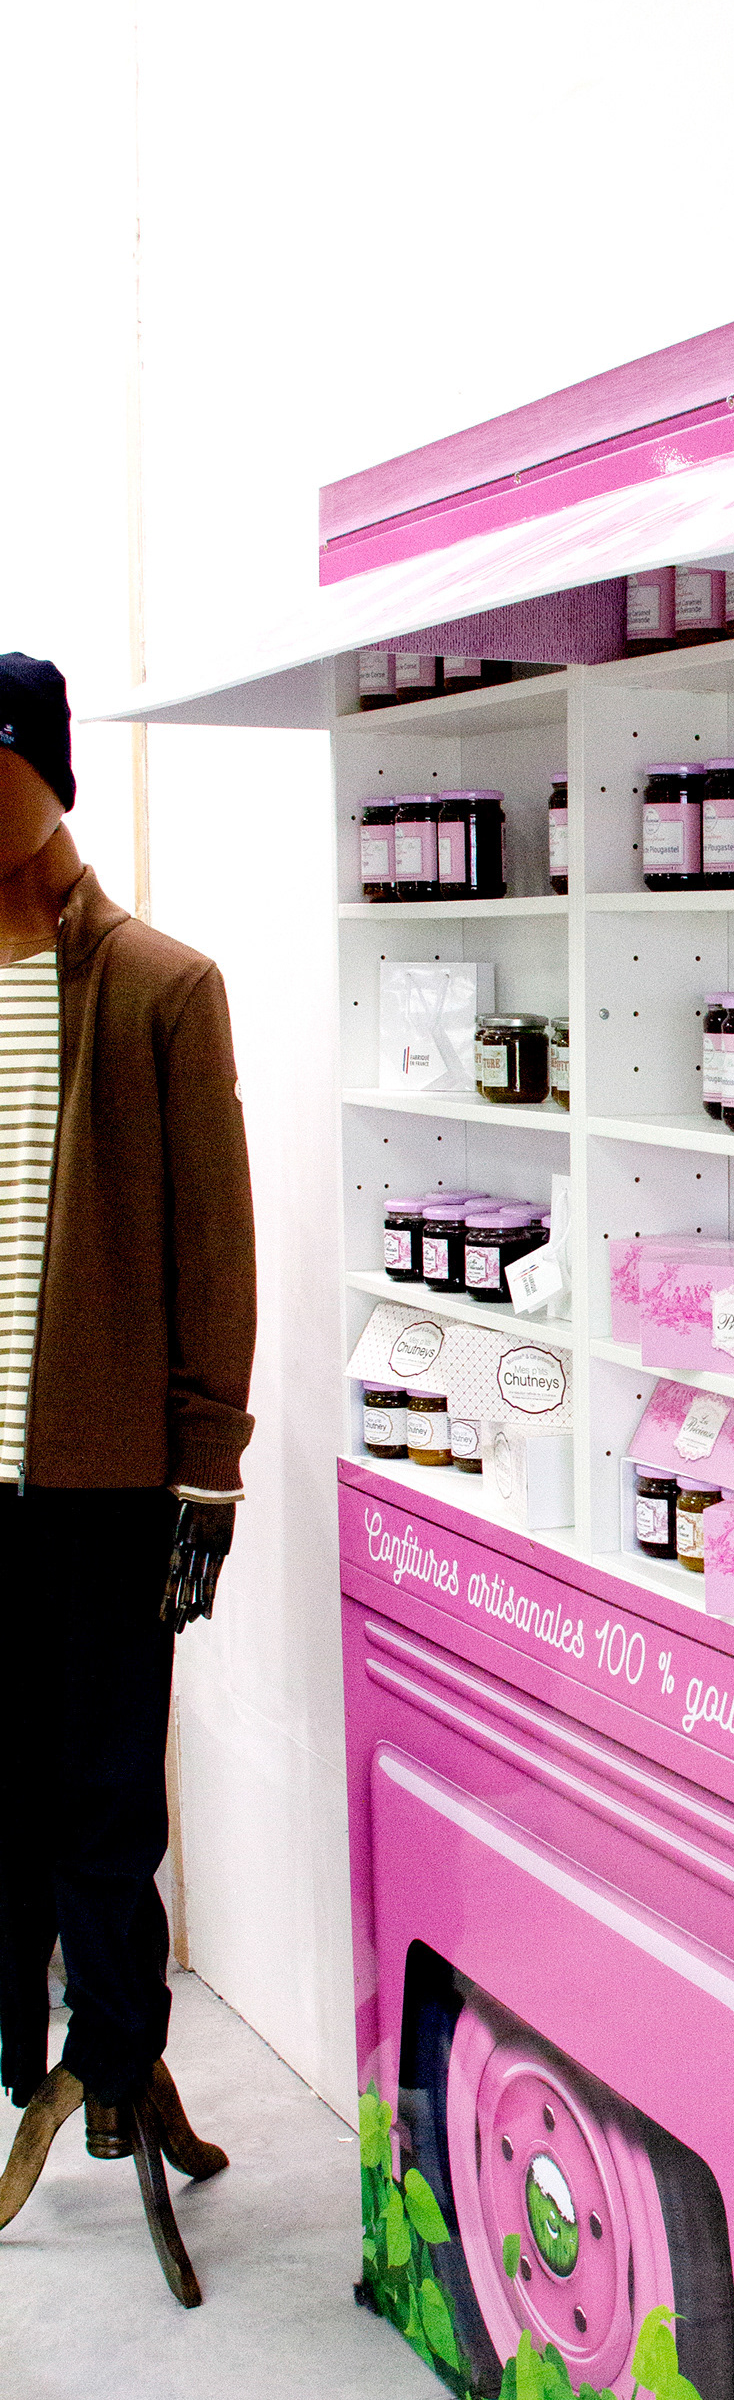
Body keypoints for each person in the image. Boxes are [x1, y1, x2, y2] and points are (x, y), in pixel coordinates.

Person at [0, 653, 257, 2304]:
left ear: (50, 782)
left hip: (101, 1482)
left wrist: (204, 1476)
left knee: (102, 1795)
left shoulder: (160, 987)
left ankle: (116, 2059)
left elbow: (215, 1256)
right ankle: (35, 2057)